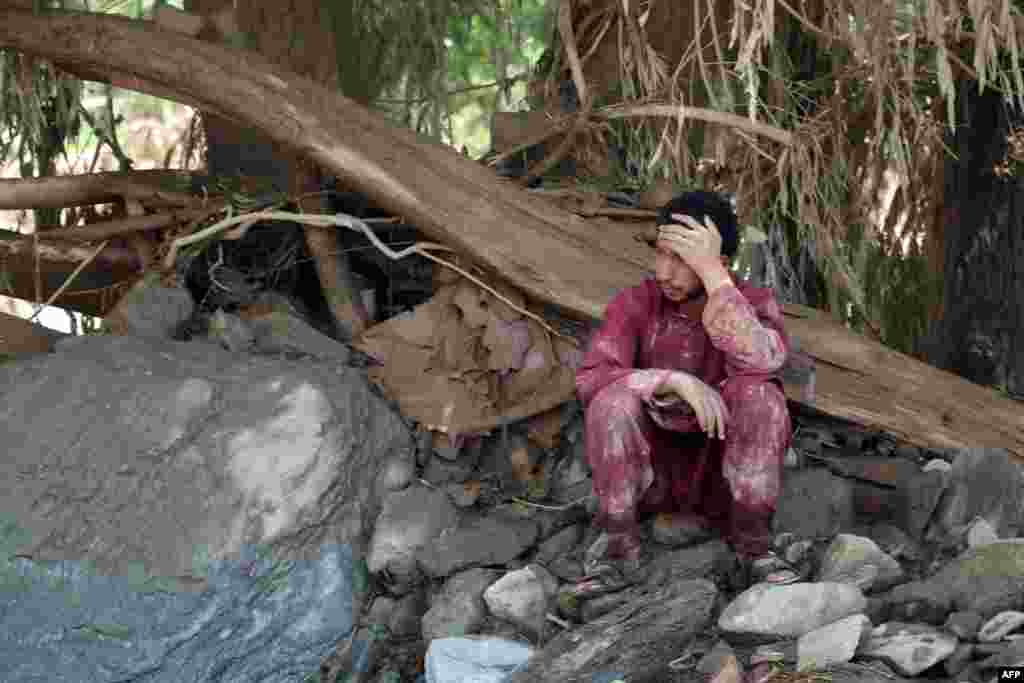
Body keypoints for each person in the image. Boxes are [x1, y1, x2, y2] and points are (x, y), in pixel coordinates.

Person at [574, 190, 798, 592]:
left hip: (723, 482)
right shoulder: (637, 303)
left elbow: (765, 362)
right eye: (660, 253)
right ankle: (616, 555)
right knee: (612, 399)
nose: (664, 272)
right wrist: (671, 380)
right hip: (651, 481)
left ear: (721, 263)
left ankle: (755, 551)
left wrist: (715, 279)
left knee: (762, 395)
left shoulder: (752, 301)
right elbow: (592, 378)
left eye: (681, 259)